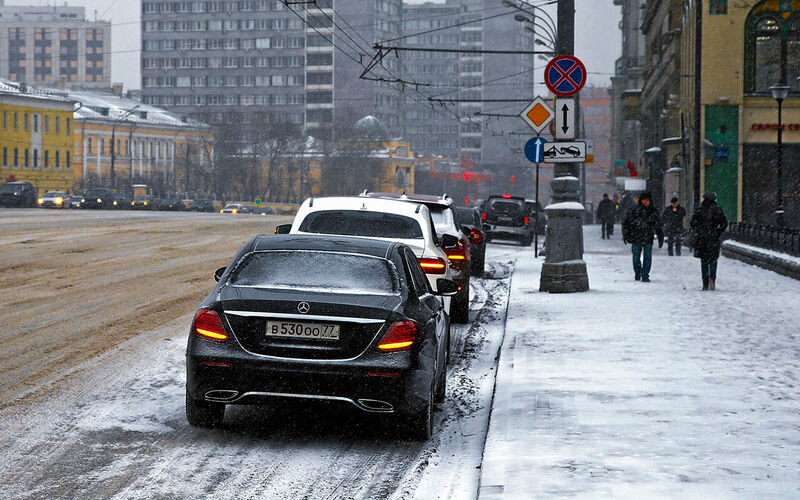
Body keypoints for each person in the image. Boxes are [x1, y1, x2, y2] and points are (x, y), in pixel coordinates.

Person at [690, 192, 728, 290]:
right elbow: (724, 223)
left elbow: (693, 223)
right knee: (713, 260)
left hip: (702, 238)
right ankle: (712, 278)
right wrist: (718, 232)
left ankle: (705, 282)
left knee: (704, 260)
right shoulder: (718, 210)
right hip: (713, 238)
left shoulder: (699, 210)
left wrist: (698, 230)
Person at [622, 192, 664, 282]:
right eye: (644, 200)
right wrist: (626, 234)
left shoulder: (651, 211)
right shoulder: (635, 210)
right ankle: (639, 272)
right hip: (637, 237)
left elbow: (658, 225)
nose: (645, 202)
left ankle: (644, 274)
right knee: (637, 257)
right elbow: (627, 223)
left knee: (645, 257)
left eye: (647, 200)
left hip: (645, 237)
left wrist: (660, 237)